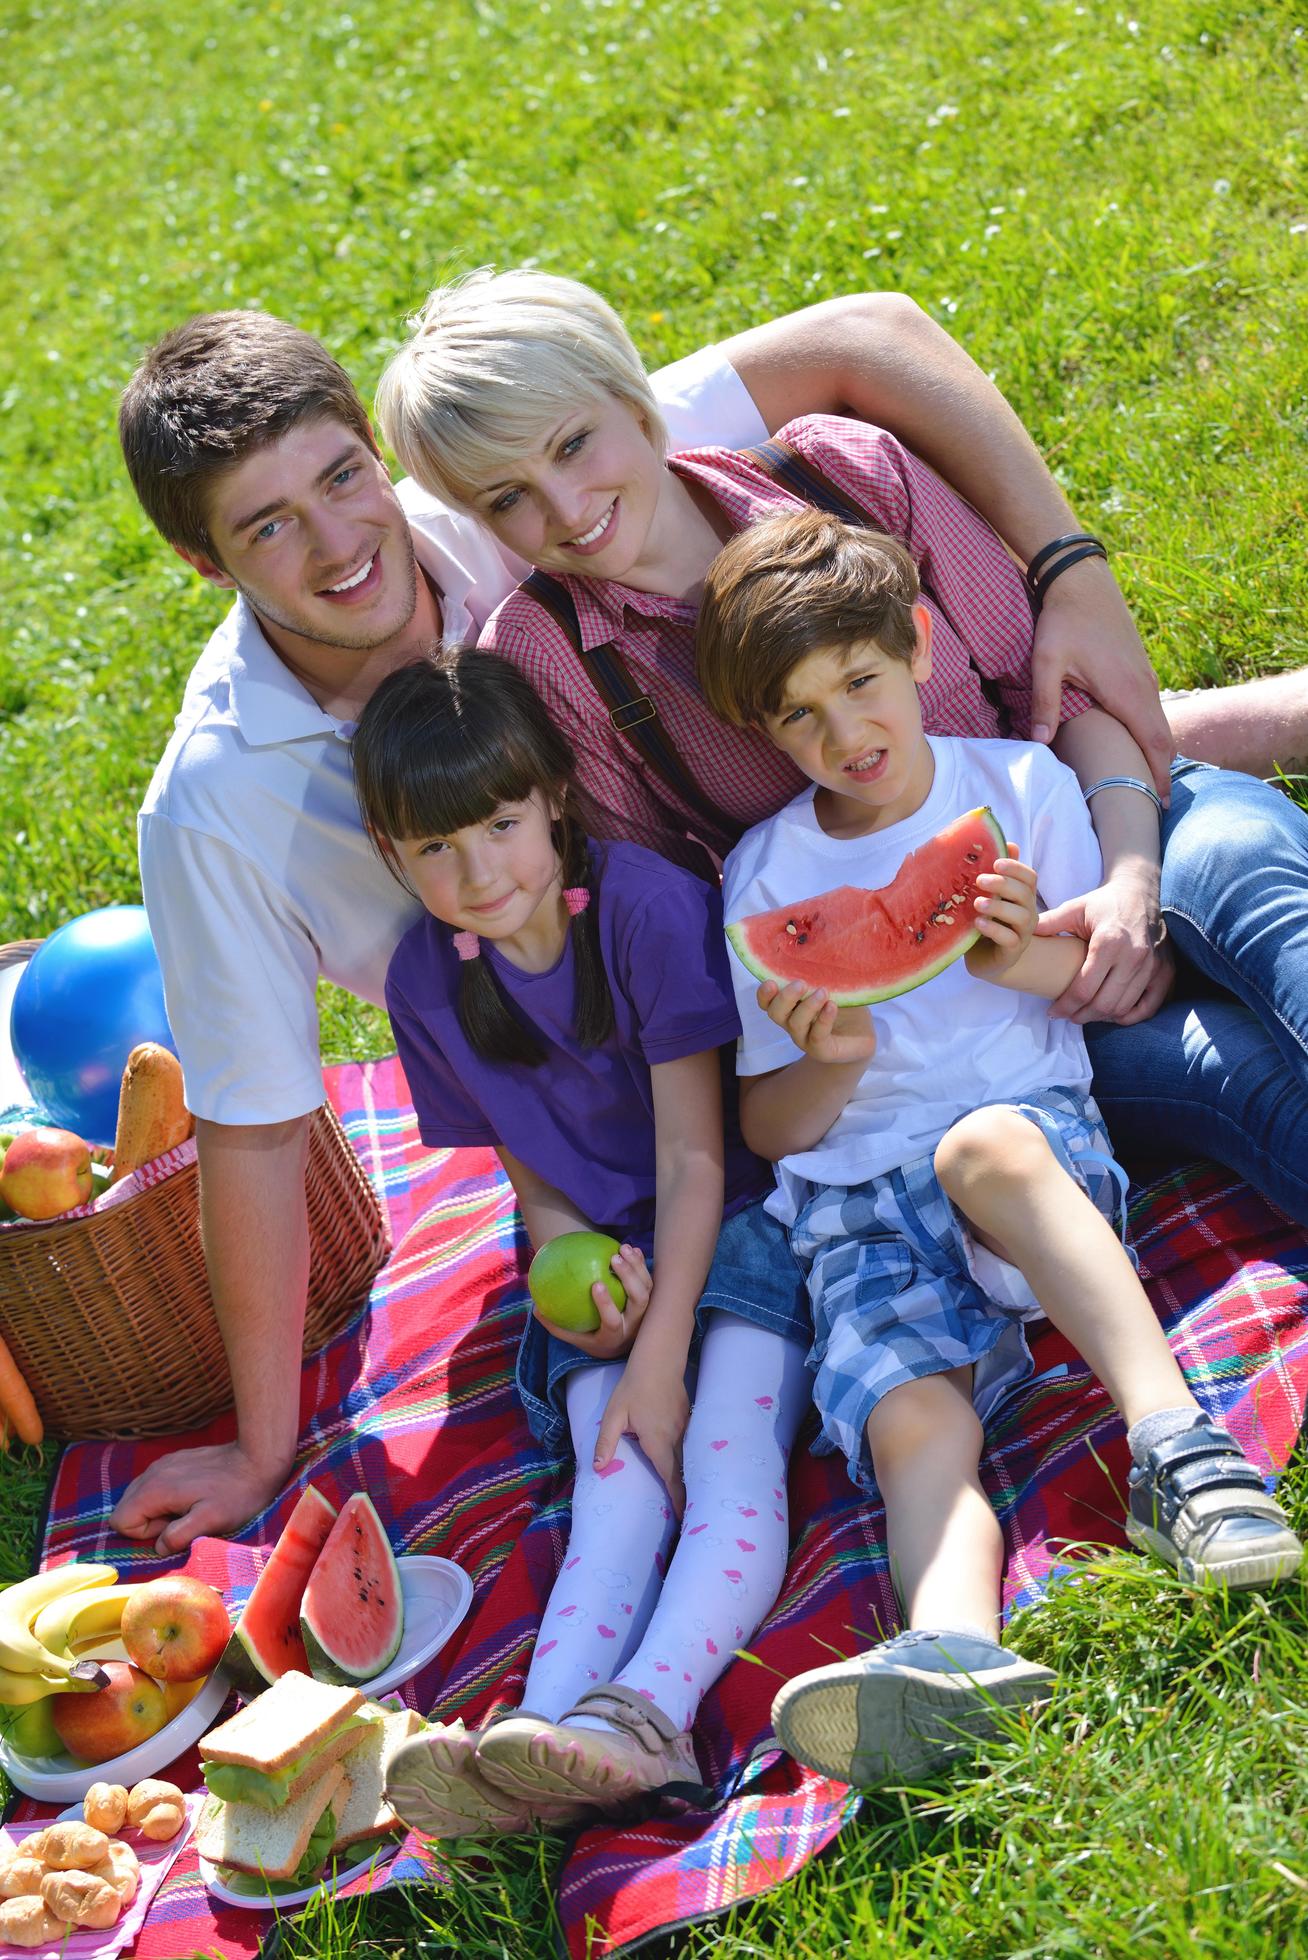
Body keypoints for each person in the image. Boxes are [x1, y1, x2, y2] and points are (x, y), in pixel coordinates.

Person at [112, 290, 1182, 1554]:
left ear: (384, 460)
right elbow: (253, 1126)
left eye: (347, 478)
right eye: (266, 527)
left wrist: (1072, 568)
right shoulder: (216, 804)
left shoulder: (523, 485)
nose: (339, 541)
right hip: (695, 1117)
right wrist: (261, 1442)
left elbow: (870, 337)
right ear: (207, 565)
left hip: (954, 936)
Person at [375, 267, 1308, 1228]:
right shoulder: (549, 663)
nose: (566, 509)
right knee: (1233, 1076)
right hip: (967, 1028)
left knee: (1260, 892)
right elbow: (673, 919)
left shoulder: (841, 472)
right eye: (509, 498)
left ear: (630, 396)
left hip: (1108, 810)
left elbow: (1055, 693)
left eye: (574, 444)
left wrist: (1128, 879)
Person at [693, 508, 1302, 1788]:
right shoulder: (762, 878)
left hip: (1030, 1164)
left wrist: (1013, 948)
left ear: (917, 646)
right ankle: (950, 1651)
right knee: (915, 1428)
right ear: (764, 735)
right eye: (800, 717)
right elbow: (767, 1126)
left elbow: (1095, 981)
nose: (844, 734)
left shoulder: (1019, 788)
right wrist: (830, 1060)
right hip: (852, 1201)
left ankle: (1178, 1447)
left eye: (860, 683)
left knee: (983, 1147)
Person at [349, 648, 813, 1829]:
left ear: (554, 793)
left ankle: (649, 1716)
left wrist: (658, 1357)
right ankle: (540, 1737)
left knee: (719, 1452)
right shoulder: (426, 977)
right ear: (393, 854)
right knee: (613, 1483)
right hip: (595, 1246)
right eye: (434, 849)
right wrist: (576, 1296)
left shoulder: (646, 909)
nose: (476, 870)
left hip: (744, 1221)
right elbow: (532, 1179)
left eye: (500, 824)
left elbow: (698, 1161)